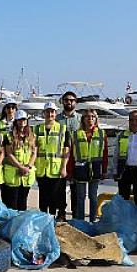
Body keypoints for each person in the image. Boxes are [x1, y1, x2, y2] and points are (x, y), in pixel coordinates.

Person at [70, 109, 108, 222]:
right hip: (80, 169)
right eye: (87, 116)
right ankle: (81, 221)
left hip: (95, 168)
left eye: (92, 117)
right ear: (83, 119)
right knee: (80, 197)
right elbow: (72, 154)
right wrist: (70, 171)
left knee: (93, 196)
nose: (90, 119)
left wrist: (104, 170)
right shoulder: (76, 134)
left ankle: (92, 220)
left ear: (96, 119)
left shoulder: (102, 133)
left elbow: (105, 153)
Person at [35, 102, 70, 217]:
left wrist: (64, 167)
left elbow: (66, 150)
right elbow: (32, 149)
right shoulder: (36, 129)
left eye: (52, 112)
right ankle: (43, 218)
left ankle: (53, 217)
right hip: (41, 169)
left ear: (55, 113)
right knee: (43, 196)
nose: (50, 114)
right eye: (47, 112)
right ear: (43, 113)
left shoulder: (62, 129)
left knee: (55, 196)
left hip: (56, 169)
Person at [3, 110, 36, 211]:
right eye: (20, 120)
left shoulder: (32, 136)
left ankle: (21, 224)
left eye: (24, 120)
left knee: (23, 202)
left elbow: (34, 153)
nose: (22, 122)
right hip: (13, 174)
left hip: (26, 174)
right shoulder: (9, 136)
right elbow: (9, 154)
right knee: (12, 204)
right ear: (16, 121)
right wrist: (20, 167)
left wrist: (28, 166)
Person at [57, 91, 81, 221]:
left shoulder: (80, 119)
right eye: (66, 100)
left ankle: (76, 214)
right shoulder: (57, 119)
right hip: (60, 156)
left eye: (71, 100)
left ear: (75, 102)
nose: (69, 102)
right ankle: (61, 212)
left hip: (76, 156)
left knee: (75, 188)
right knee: (60, 188)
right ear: (63, 102)